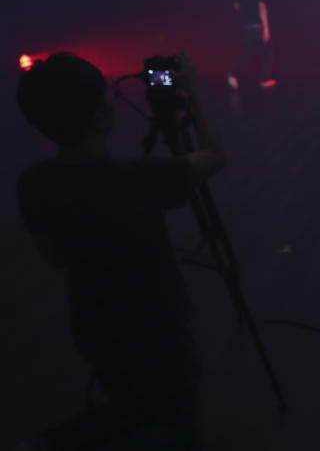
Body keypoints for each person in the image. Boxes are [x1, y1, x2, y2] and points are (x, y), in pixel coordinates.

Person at [15, 52, 225, 449]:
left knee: (130, 404)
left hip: (95, 328)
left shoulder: (32, 184)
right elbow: (215, 157)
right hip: (160, 332)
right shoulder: (139, 179)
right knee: (177, 414)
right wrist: (194, 91)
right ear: (99, 117)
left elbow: (55, 258)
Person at [228, 0, 276, 90]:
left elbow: (236, 6)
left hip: (246, 25)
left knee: (247, 53)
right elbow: (262, 8)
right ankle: (264, 79)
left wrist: (246, 15)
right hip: (257, 25)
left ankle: (232, 74)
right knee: (267, 51)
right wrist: (265, 27)